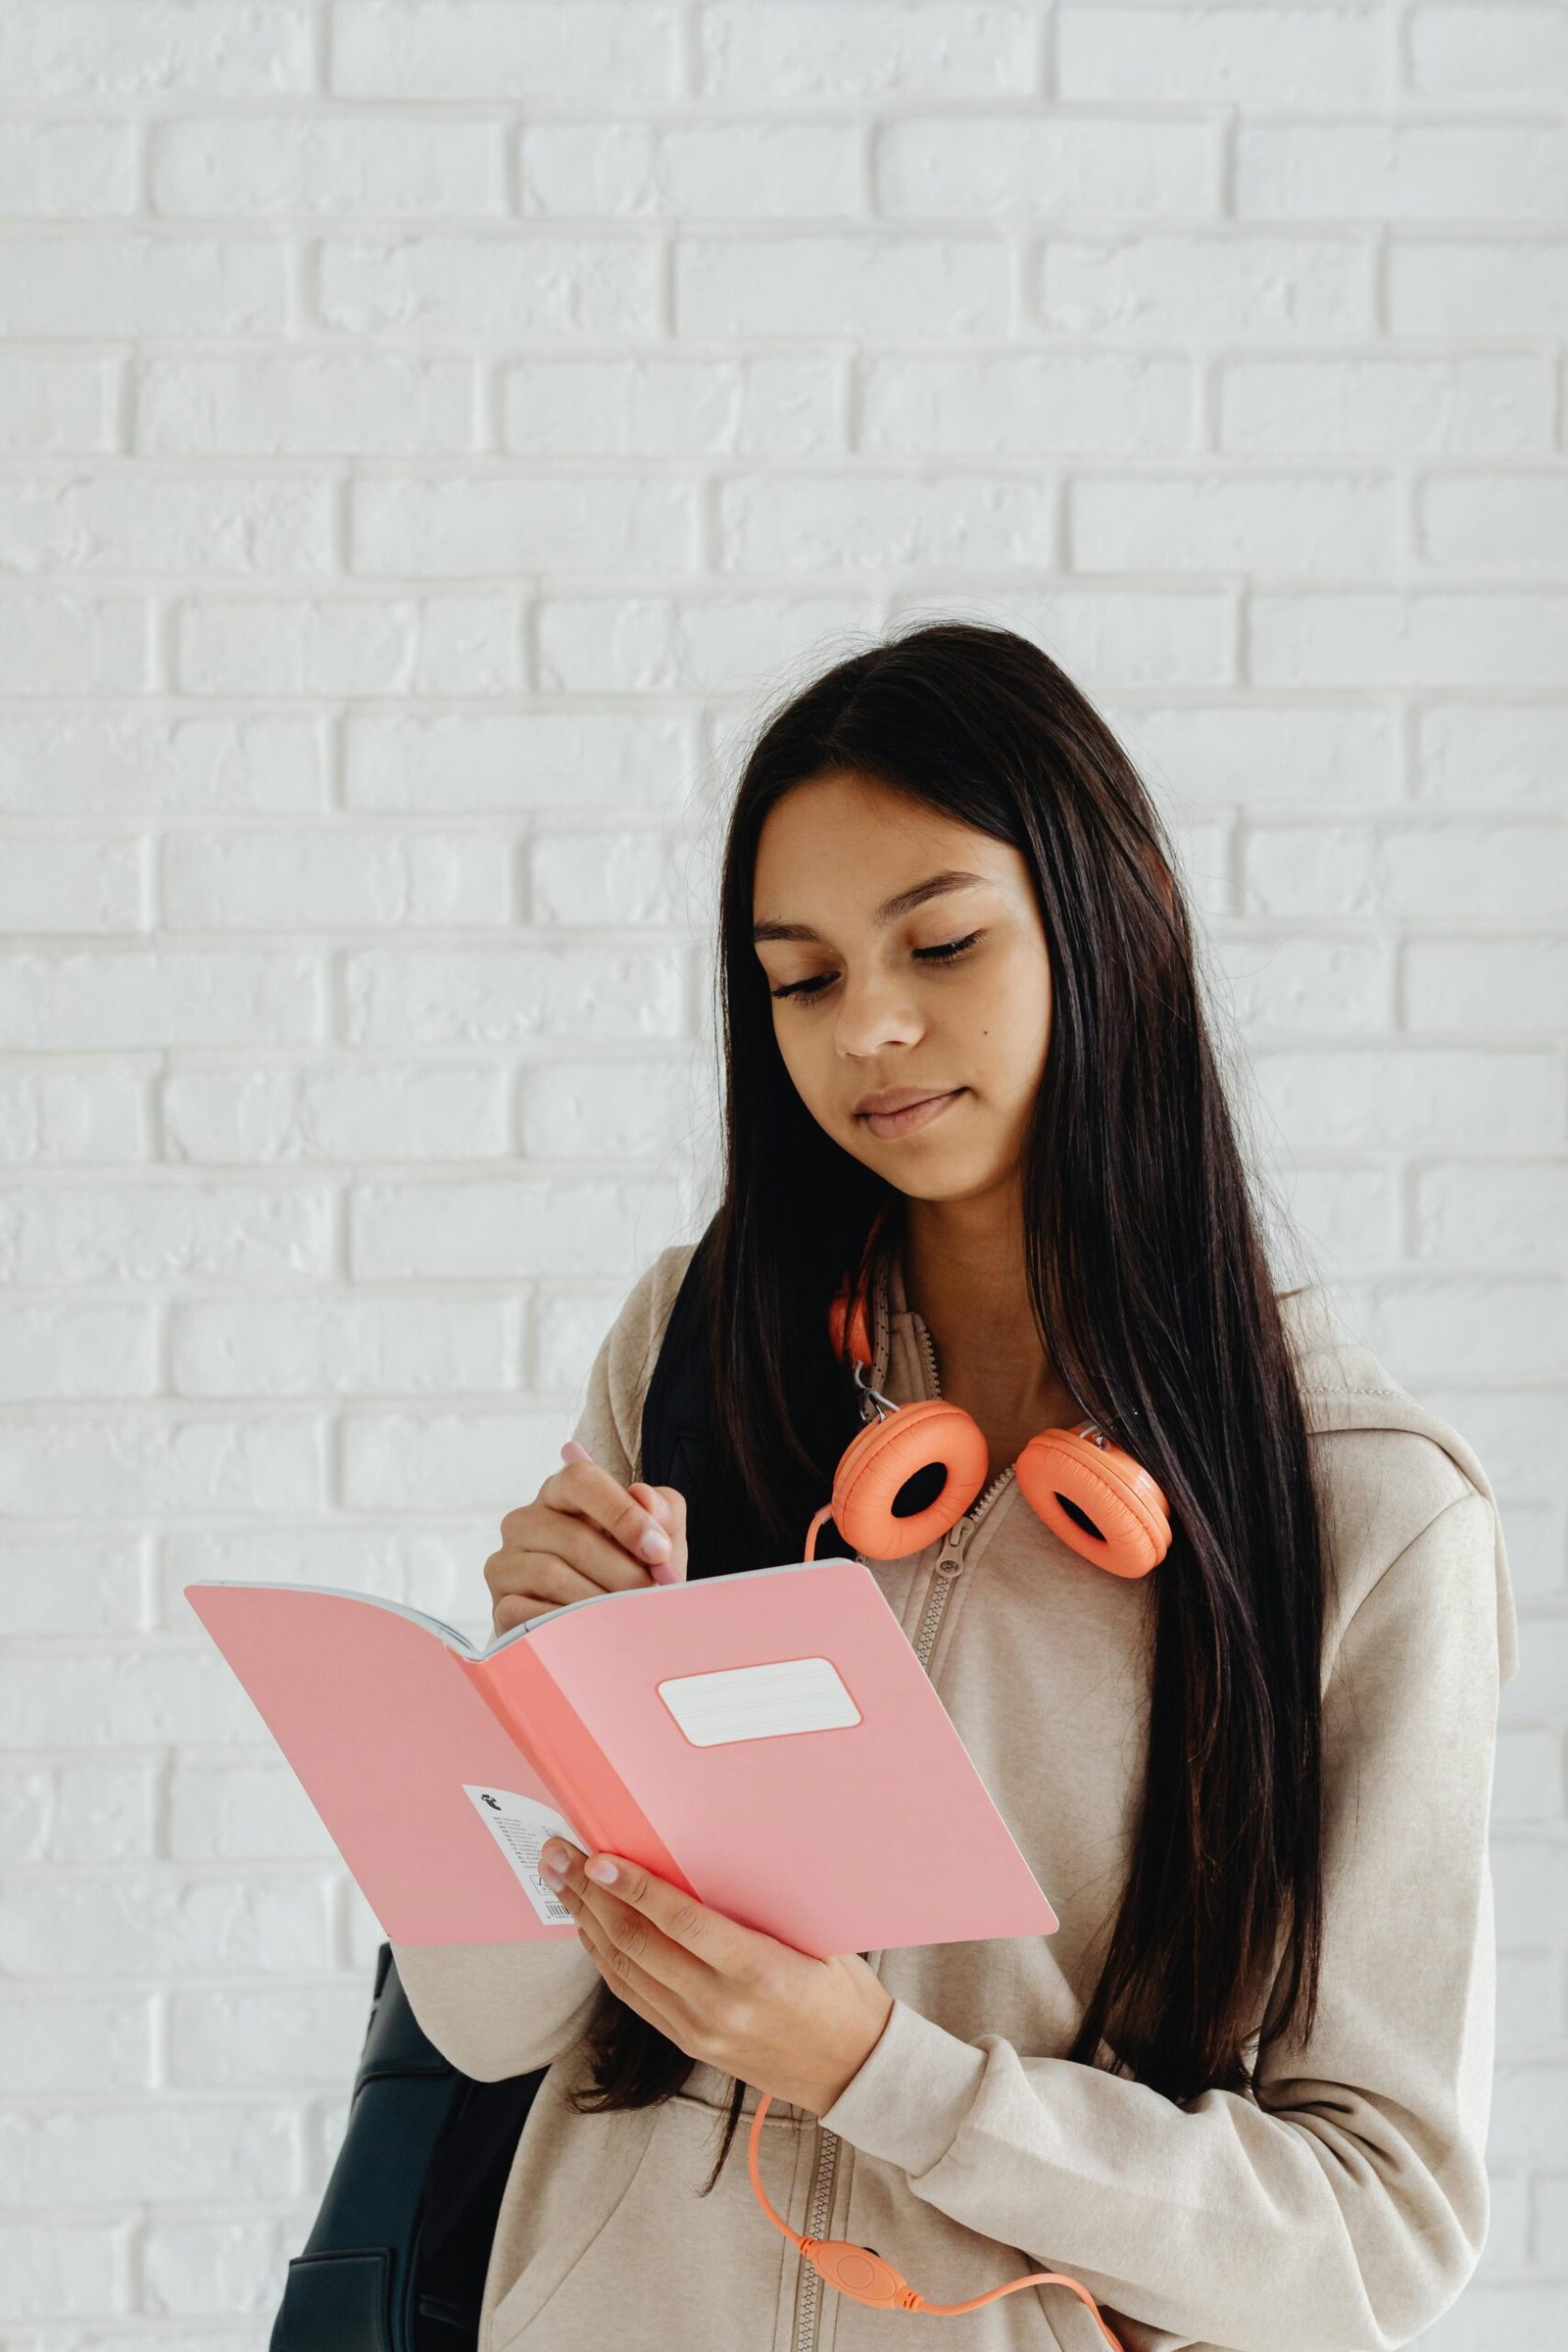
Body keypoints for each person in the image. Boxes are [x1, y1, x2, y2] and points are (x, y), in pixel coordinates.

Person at [392, 620, 1517, 2351]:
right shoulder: (700, 1346)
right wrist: (527, 1718)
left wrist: (875, 2072)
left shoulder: (1366, 1514)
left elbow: (1378, 2234)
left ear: (1111, 914)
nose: (876, 1029)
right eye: (803, 977)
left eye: (941, 941)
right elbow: (487, 2024)